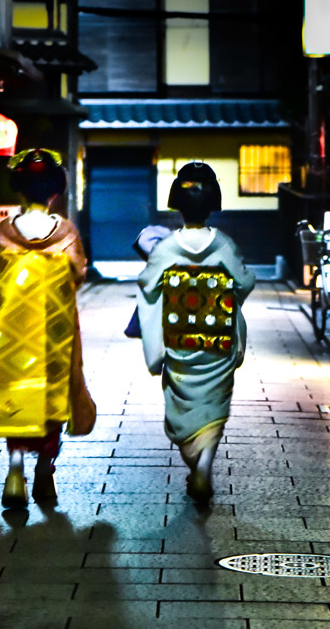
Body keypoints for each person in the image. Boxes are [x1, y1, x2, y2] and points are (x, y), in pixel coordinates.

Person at [0, 148, 96, 508]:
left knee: (15, 394)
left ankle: (14, 472)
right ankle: (45, 469)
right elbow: (78, 274)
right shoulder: (67, 234)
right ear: (54, 191)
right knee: (52, 398)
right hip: (54, 332)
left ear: (19, 190)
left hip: (10, 331)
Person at [136, 161, 255, 503]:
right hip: (217, 342)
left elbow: (148, 285)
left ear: (177, 202)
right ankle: (205, 464)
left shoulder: (166, 247)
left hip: (179, 343)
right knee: (214, 404)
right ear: (213, 203)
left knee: (182, 407)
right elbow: (243, 282)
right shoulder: (224, 244)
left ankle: (196, 464)